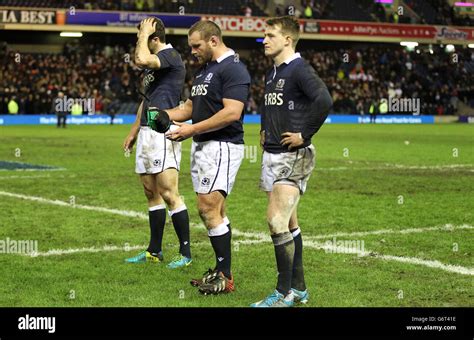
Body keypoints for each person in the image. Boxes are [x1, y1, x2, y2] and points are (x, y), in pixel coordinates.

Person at [164, 20, 251, 295]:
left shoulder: (233, 67)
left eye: (196, 46)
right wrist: (163, 115)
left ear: (213, 41)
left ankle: (225, 276)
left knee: (207, 208)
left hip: (222, 144)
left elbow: (232, 113)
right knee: (214, 211)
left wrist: (190, 130)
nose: (193, 52)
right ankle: (221, 271)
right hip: (204, 145)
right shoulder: (204, 71)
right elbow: (191, 106)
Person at [251, 16, 332, 307]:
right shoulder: (273, 73)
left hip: (292, 156)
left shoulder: (299, 69)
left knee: (275, 221)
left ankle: (282, 293)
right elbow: (266, 103)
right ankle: (299, 289)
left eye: (270, 35)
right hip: (272, 154)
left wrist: (304, 134)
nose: (264, 40)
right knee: (289, 223)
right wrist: (263, 127)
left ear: (287, 40)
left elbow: (324, 99)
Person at [122, 17, 192, 269]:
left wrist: (143, 34)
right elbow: (146, 99)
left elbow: (139, 58)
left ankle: (185, 253)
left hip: (163, 129)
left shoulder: (170, 55)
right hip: (147, 130)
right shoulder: (155, 67)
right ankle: (155, 251)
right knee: (151, 192)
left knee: (168, 192)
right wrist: (134, 130)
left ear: (154, 37)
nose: (138, 41)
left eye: (142, 37)